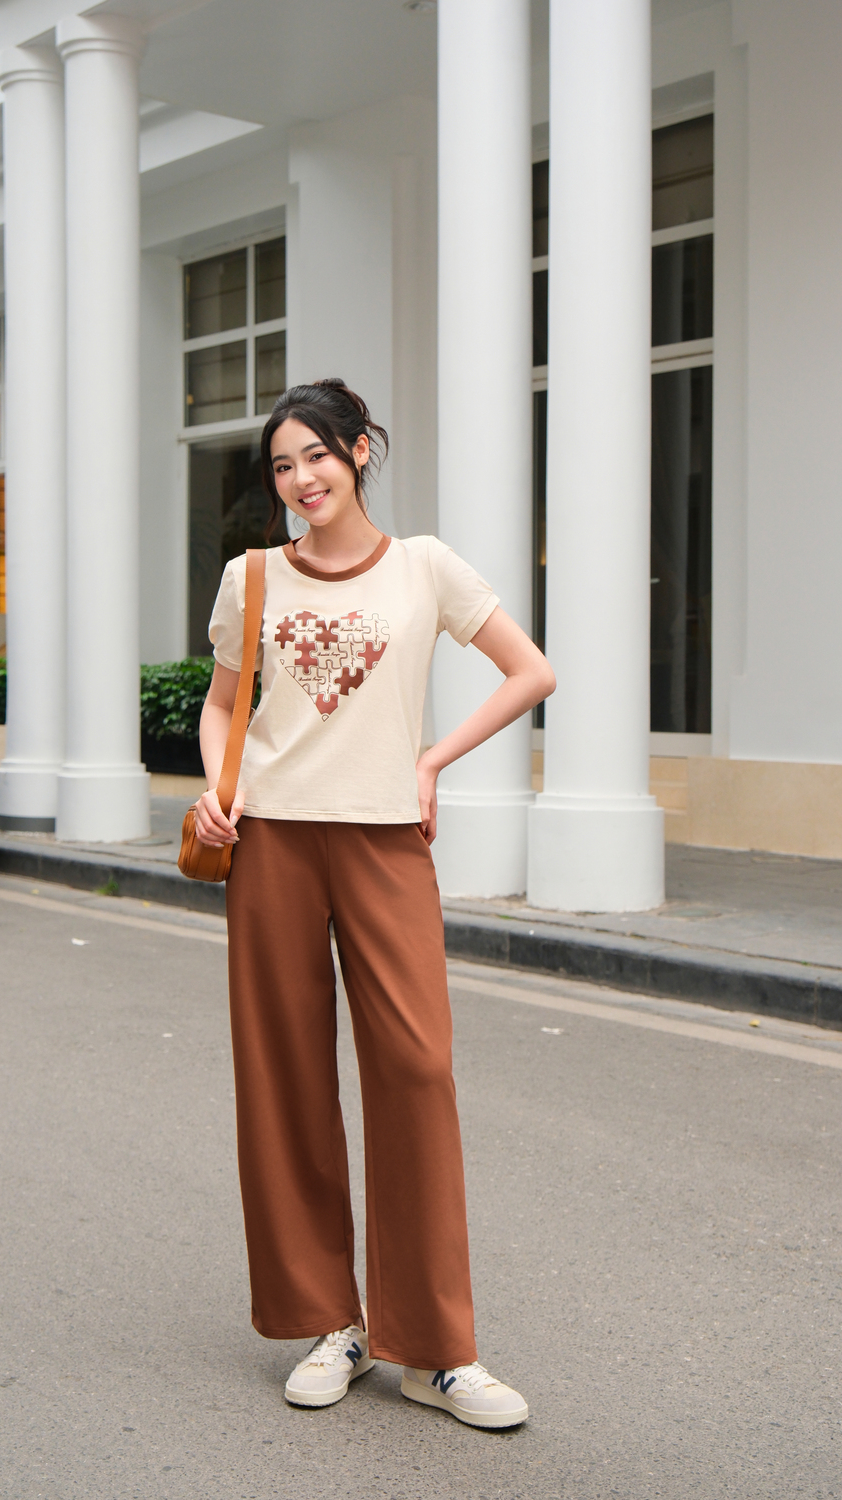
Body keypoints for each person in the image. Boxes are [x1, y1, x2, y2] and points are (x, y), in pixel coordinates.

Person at [195, 378, 555, 1429]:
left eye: (316, 454)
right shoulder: (251, 578)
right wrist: (219, 790)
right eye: (282, 465)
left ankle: (435, 1351)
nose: (300, 478)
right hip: (271, 842)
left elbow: (528, 671)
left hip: (386, 839)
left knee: (417, 1070)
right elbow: (221, 707)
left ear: (359, 451)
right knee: (285, 1078)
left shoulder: (425, 567)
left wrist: (431, 761)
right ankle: (331, 1325)